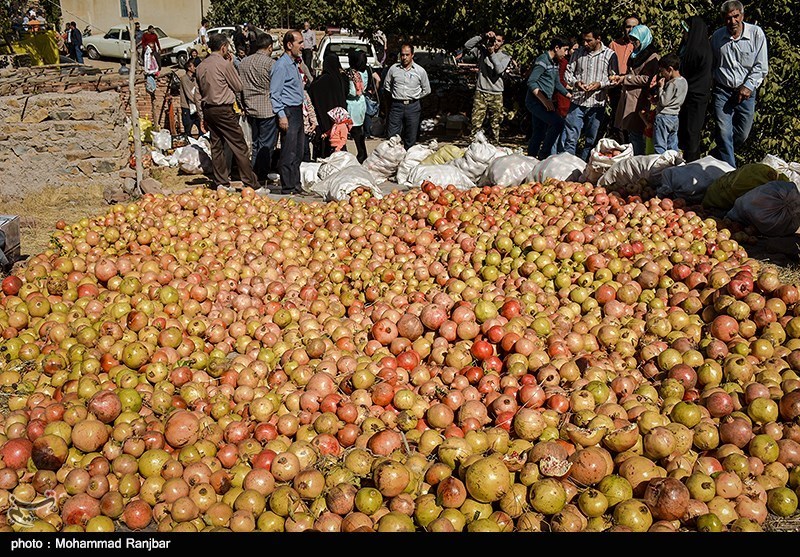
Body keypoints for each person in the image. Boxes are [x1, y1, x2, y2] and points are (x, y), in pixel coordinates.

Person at [195, 32, 259, 191]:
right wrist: (230, 65)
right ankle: (251, 183)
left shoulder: (201, 66)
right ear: (223, 48)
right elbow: (238, 86)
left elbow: (197, 94)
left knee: (216, 146)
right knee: (239, 145)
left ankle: (221, 183)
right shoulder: (223, 65)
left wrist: (201, 115)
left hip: (208, 109)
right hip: (224, 109)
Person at [710, 0, 768, 167]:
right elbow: (712, 63)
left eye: (736, 17)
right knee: (723, 131)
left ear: (742, 15)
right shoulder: (717, 37)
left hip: (746, 92)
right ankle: (730, 171)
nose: (733, 22)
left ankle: (716, 155)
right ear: (723, 19)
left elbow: (761, 65)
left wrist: (749, 86)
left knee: (742, 134)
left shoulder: (756, 34)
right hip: (723, 90)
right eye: (729, 18)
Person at [561, 28, 618, 160]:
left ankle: (584, 165)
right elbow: (568, 74)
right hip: (577, 102)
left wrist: (600, 84)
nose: (585, 44)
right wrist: (576, 83)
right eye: (584, 41)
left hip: (596, 104)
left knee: (591, 140)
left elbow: (614, 78)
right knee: (571, 137)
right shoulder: (578, 53)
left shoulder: (610, 55)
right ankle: (568, 163)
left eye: (589, 40)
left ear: (598, 39)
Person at [609, 24, 660, 155]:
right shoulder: (636, 54)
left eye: (636, 40)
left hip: (639, 99)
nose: (634, 43)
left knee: (636, 133)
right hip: (628, 96)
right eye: (632, 40)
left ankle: (638, 160)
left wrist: (626, 78)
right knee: (629, 133)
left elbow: (648, 79)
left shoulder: (652, 56)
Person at [270, 30, 307, 194]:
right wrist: (281, 115)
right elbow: (275, 93)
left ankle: (296, 184)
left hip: (297, 110)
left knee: (299, 150)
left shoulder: (294, 63)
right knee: (288, 150)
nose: (302, 46)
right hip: (288, 111)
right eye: (299, 43)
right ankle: (288, 186)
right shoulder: (281, 66)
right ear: (289, 44)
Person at [238, 33, 278, 183]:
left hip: (250, 108)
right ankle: (261, 175)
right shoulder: (271, 64)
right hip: (267, 109)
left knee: (254, 144)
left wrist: (243, 104)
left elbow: (238, 88)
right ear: (269, 47)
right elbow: (276, 87)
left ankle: (253, 173)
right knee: (266, 145)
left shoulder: (243, 63)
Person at [525, 36, 572, 159]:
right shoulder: (543, 61)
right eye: (565, 50)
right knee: (557, 123)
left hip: (544, 101)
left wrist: (570, 95)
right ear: (557, 48)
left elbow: (557, 83)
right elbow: (531, 82)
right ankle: (543, 155)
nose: (566, 53)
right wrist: (545, 100)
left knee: (539, 132)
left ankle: (531, 158)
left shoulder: (555, 63)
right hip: (536, 102)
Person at [463, 31, 513, 143]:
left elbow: (499, 69)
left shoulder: (505, 56)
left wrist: (491, 54)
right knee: (476, 123)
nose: (495, 43)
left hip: (496, 93)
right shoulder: (481, 51)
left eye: (499, 41)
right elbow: (467, 46)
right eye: (494, 40)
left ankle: (494, 146)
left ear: (503, 42)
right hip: (481, 91)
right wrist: (482, 36)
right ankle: (473, 146)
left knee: (495, 124)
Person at [678, 16, 714, 162]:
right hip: (686, 95)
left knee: (692, 132)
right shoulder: (687, 47)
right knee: (685, 131)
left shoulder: (700, 51)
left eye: (686, 31)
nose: (684, 35)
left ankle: (692, 164)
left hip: (696, 96)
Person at [383, 43, 431, 149]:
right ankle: (392, 160)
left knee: (411, 136)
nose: (404, 57)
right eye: (403, 55)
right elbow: (387, 86)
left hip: (413, 107)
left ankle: (407, 161)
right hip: (396, 106)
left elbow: (426, 90)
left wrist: (415, 96)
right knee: (392, 136)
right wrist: (396, 95)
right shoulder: (393, 69)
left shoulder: (420, 71)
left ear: (412, 55)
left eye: (407, 55)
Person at [605, 15, 640, 142]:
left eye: (634, 27)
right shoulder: (614, 45)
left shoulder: (640, 46)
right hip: (617, 89)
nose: (631, 30)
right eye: (628, 27)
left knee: (632, 125)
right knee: (617, 124)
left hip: (633, 90)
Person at [309, 52, 348, 159]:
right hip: (338, 119)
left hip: (324, 119)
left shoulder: (321, 81)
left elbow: (312, 91)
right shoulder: (340, 79)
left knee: (324, 145)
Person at [653, 53, 688, 154]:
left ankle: (661, 166)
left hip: (664, 117)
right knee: (672, 144)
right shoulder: (684, 81)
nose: (662, 74)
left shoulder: (672, 83)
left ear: (669, 69)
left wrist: (660, 88)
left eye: (662, 71)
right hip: (674, 116)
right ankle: (673, 165)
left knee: (660, 145)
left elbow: (664, 101)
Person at [346, 51, 370, 163]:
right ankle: (362, 153)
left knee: (354, 131)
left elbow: (352, 91)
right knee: (358, 131)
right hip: (361, 103)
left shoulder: (353, 74)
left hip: (353, 105)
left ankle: (361, 154)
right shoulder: (365, 72)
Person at [179, 60, 204, 138]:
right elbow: (188, 94)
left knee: (201, 128)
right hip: (187, 107)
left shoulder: (195, 78)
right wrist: (198, 101)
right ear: (189, 68)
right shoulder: (184, 79)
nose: (195, 68)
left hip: (196, 107)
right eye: (193, 66)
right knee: (188, 129)